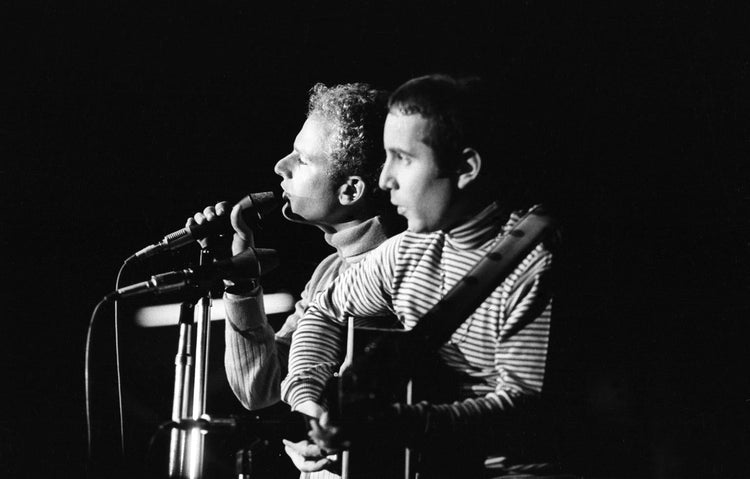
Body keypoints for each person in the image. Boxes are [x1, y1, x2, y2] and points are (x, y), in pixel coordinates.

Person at [280, 74, 565, 478]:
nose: (384, 179)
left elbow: (521, 406)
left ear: (466, 167)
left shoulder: (537, 263)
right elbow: (325, 311)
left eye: (403, 158)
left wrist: (391, 424)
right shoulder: (408, 253)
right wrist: (309, 406)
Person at [188, 82, 403, 477]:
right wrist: (240, 281)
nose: (280, 166)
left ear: (351, 189)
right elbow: (260, 390)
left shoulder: (400, 268)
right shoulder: (330, 271)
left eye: (302, 160)